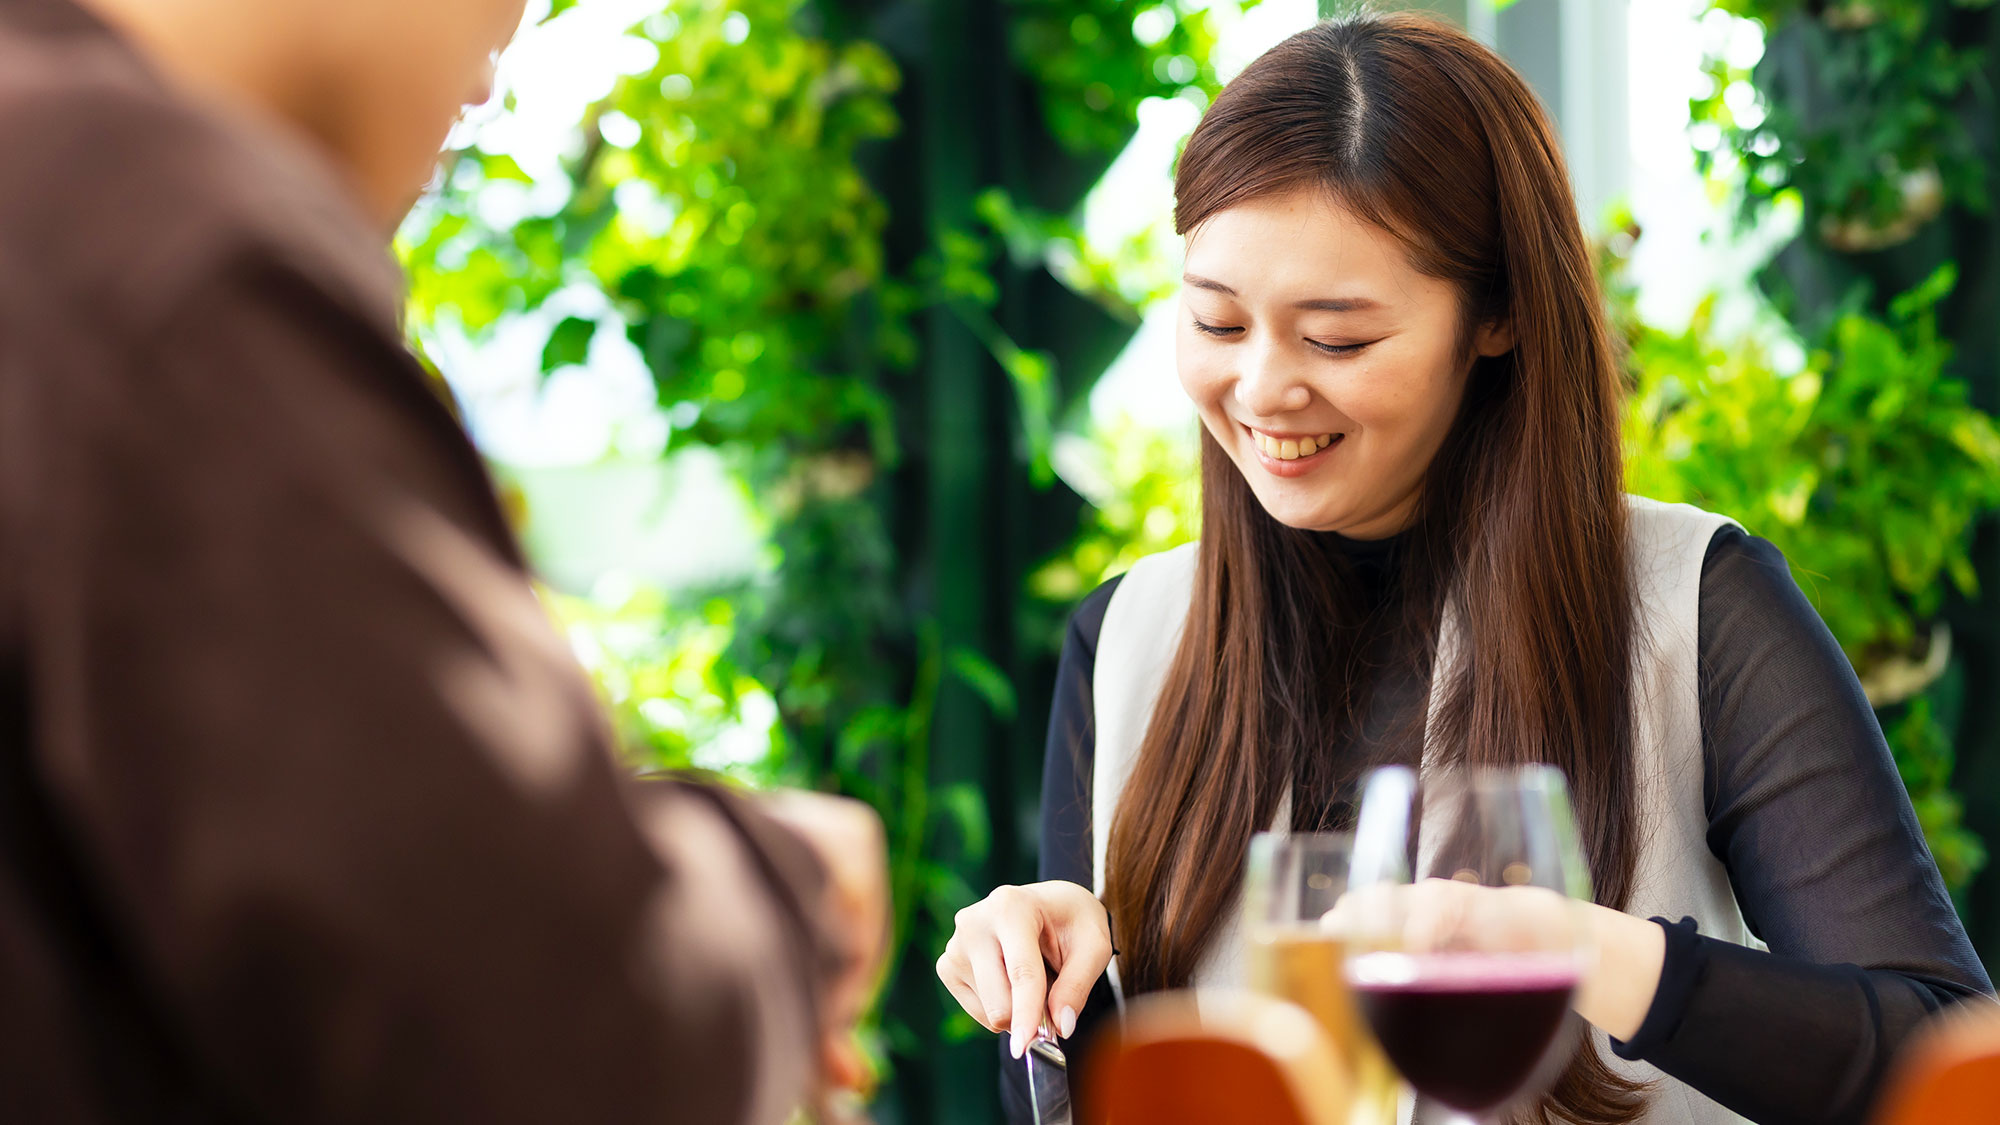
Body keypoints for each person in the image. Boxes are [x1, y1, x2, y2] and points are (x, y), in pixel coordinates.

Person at [936, 12, 1993, 1125]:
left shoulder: (1694, 605)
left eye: (1336, 339)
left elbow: (1942, 1055)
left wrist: (1581, 949)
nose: (1262, 389)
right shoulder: (1131, 634)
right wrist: (1055, 994)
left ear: (1496, 316)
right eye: (1216, 322)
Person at [0, 0, 886, 1121]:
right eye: (497, 24)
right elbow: (561, 1027)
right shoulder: (163, 248)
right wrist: (786, 888)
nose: (483, 87)